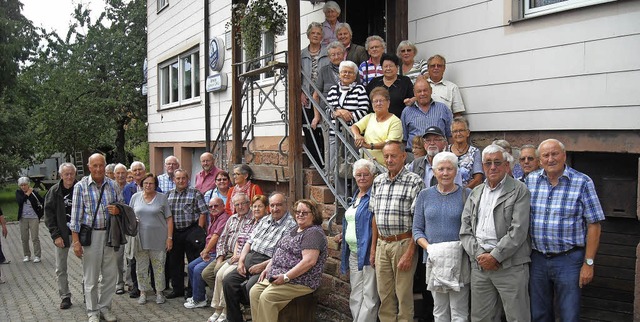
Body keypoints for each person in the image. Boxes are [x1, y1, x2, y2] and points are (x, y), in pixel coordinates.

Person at [526, 139, 605, 322]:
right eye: (546, 155)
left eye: (555, 154)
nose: (550, 159)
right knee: (539, 314)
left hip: (569, 260)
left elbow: (594, 225)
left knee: (569, 314)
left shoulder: (582, 182)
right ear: (540, 160)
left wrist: (589, 263)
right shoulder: (530, 181)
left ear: (564, 156)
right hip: (537, 258)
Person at [459, 144, 532, 322]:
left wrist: (495, 256)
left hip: (510, 266)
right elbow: (465, 230)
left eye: (497, 162)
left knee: (517, 317)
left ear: (507, 166)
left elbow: (519, 230)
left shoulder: (519, 190)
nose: (492, 167)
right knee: (480, 318)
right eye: (488, 163)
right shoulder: (475, 192)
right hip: (480, 266)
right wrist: (480, 255)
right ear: (482, 166)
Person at [369, 141, 424, 322]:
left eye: (393, 156)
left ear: (403, 156)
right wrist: (373, 248)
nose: (389, 160)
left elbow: (418, 221)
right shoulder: (378, 181)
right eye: (386, 156)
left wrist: (410, 252)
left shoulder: (415, 181)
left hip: (403, 243)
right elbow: (375, 216)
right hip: (382, 244)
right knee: (384, 294)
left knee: (403, 294)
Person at [220, 192, 297, 322]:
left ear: (286, 205)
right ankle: (234, 319)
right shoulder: (265, 219)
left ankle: (253, 315)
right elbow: (249, 242)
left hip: (267, 262)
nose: (275, 208)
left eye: (279, 205)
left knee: (250, 288)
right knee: (228, 281)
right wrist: (241, 261)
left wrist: (262, 266)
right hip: (250, 258)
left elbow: (283, 253)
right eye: (272, 205)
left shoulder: (291, 225)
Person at [413, 152, 471, 321]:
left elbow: (472, 228)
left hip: (459, 261)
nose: (445, 173)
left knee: (459, 311)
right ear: (434, 171)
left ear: (456, 171)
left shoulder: (467, 195)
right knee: (439, 310)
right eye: (441, 169)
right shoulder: (424, 195)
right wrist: (430, 248)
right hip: (433, 260)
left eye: (449, 169)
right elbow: (417, 230)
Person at [249, 199, 328, 322]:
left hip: (300, 280)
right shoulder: (295, 228)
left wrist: (286, 277)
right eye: (298, 212)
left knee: (267, 297)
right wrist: (268, 266)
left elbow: (309, 262)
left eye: (305, 213)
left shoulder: (313, 233)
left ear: (314, 215)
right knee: (254, 292)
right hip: (278, 274)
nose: (300, 215)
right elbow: (280, 250)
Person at [70, 153, 122, 322]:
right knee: (91, 277)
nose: (99, 169)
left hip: (110, 235)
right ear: (89, 167)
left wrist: (118, 210)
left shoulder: (113, 185)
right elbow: (75, 218)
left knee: (110, 275)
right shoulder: (80, 186)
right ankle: (92, 311)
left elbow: (122, 207)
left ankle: (105, 308)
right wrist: (76, 242)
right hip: (91, 237)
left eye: (101, 165)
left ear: (105, 166)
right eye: (95, 166)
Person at [206, 194, 268, 319]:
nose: (240, 207)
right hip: (235, 256)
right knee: (217, 273)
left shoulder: (262, 222)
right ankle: (219, 308)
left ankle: (226, 309)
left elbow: (252, 246)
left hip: (248, 259)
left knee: (225, 276)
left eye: (243, 203)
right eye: (254, 206)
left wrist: (240, 258)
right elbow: (237, 241)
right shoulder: (247, 222)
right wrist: (233, 255)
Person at [337, 159, 379, 322]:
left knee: (369, 294)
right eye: (358, 175)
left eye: (365, 174)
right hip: (353, 251)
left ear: (373, 176)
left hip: (368, 250)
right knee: (356, 292)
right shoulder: (356, 195)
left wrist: (373, 249)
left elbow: (374, 223)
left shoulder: (374, 196)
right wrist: (344, 234)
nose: (362, 178)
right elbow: (354, 221)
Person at [129, 173, 173, 305]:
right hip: (139, 239)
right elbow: (130, 216)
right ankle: (143, 292)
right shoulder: (135, 197)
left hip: (158, 238)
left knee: (159, 267)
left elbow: (169, 218)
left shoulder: (162, 198)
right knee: (141, 268)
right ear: (141, 184)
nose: (148, 185)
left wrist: (169, 238)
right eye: (145, 183)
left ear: (155, 185)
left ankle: (159, 292)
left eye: (151, 183)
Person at [166, 169, 209, 299]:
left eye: (183, 178)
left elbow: (203, 212)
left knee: (192, 261)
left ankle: (191, 291)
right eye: (178, 178)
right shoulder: (168, 195)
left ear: (187, 179)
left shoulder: (195, 193)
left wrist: (199, 231)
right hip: (175, 232)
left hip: (191, 230)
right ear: (174, 180)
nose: (180, 181)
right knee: (175, 262)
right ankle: (177, 289)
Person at [185, 197, 230, 311]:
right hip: (210, 250)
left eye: (216, 206)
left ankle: (199, 300)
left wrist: (206, 251)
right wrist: (205, 250)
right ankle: (199, 295)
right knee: (190, 266)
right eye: (210, 207)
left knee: (198, 269)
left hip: (217, 253)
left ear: (223, 206)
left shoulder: (224, 218)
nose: (213, 208)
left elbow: (216, 236)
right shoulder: (214, 218)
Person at [44, 163, 78, 309]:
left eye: (71, 173)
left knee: (87, 266)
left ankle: (88, 294)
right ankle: (65, 297)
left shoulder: (81, 188)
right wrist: (55, 235)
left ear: (75, 174)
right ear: (61, 175)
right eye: (66, 174)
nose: (69, 176)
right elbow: (49, 215)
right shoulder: (54, 191)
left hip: (79, 234)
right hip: (62, 234)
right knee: (60, 268)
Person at [301, 22, 329, 167]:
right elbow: (295, 76)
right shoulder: (301, 54)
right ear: (308, 35)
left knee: (323, 127)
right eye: (313, 33)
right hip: (306, 95)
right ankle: (316, 161)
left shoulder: (327, 52)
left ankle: (326, 161)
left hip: (322, 94)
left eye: (319, 33)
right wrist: (300, 92)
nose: (316, 36)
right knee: (309, 127)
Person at [351, 87, 403, 165]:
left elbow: (390, 143)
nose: (378, 104)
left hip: (386, 166)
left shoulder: (395, 121)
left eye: (381, 101)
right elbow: (354, 126)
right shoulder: (370, 117)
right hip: (368, 165)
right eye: (375, 101)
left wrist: (369, 146)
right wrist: (357, 136)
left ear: (388, 103)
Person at [402, 78, 453, 150]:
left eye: (425, 90)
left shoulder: (443, 109)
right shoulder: (407, 111)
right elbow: (404, 139)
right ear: (414, 93)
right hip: (414, 155)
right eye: (419, 91)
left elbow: (450, 135)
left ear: (431, 91)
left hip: (439, 154)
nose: (422, 94)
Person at [366, 53, 414, 119]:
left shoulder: (405, 81)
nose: (388, 68)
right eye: (385, 66)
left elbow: (414, 97)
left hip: (399, 120)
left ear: (397, 67)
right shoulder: (374, 82)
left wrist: (410, 101)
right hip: (377, 122)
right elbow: (367, 100)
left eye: (391, 66)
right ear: (382, 68)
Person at [449, 116, 483, 189]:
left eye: (461, 130)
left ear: (468, 133)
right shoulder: (445, 151)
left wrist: (462, 192)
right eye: (455, 131)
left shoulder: (475, 152)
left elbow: (478, 179)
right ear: (451, 134)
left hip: (468, 193)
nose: (458, 134)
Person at [16, 176, 44, 263]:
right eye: (21, 185)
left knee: (35, 237)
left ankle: (37, 255)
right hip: (23, 218)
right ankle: (27, 255)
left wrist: (39, 215)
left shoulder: (34, 192)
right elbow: (20, 202)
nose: (23, 187)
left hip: (33, 218)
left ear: (28, 185)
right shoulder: (18, 193)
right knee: (24, 238)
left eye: (25, 185)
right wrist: (27, 194)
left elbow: (42, 201)